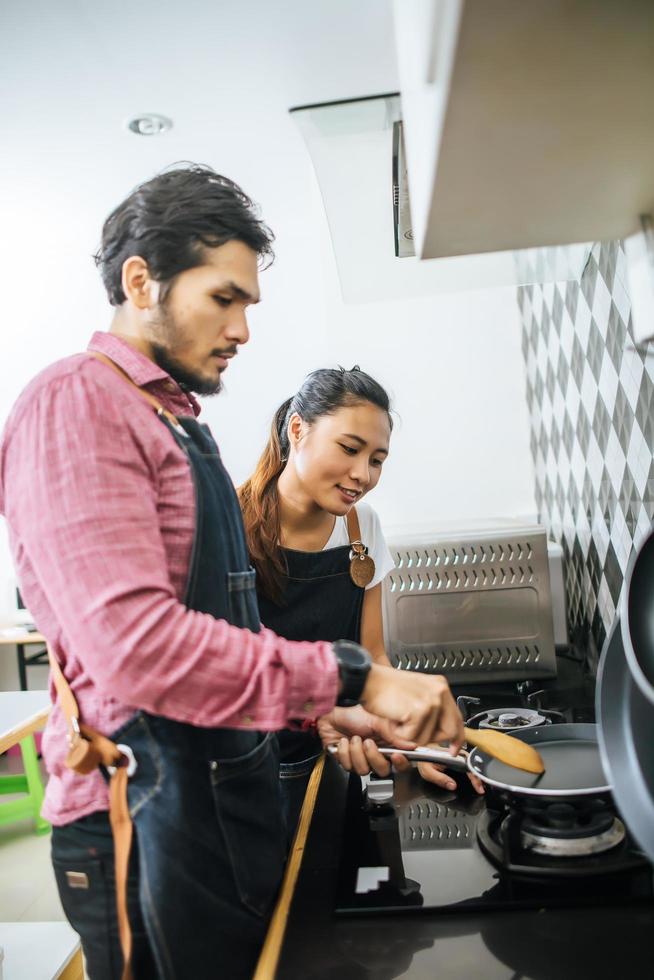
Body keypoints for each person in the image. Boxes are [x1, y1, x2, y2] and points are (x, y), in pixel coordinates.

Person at [0, 164, 465, 980]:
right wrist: (355, 680)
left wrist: (327, 713)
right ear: (141, 281)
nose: (244, 328)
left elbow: (228, 636)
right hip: (145, 816)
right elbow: (136, 650)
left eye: (248, 304)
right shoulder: (76, 404)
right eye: (225, 298)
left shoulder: (173, 420)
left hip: (216, 796)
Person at [240, 369, 483, 841]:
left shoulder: (361, 527)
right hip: (252, 766)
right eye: (349, 449)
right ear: (297, 429)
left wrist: (421, 747)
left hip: (334, 752)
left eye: (377, 459)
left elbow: (373, 658)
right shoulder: (230, 524)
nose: (363, 476)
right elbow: (223, 671)